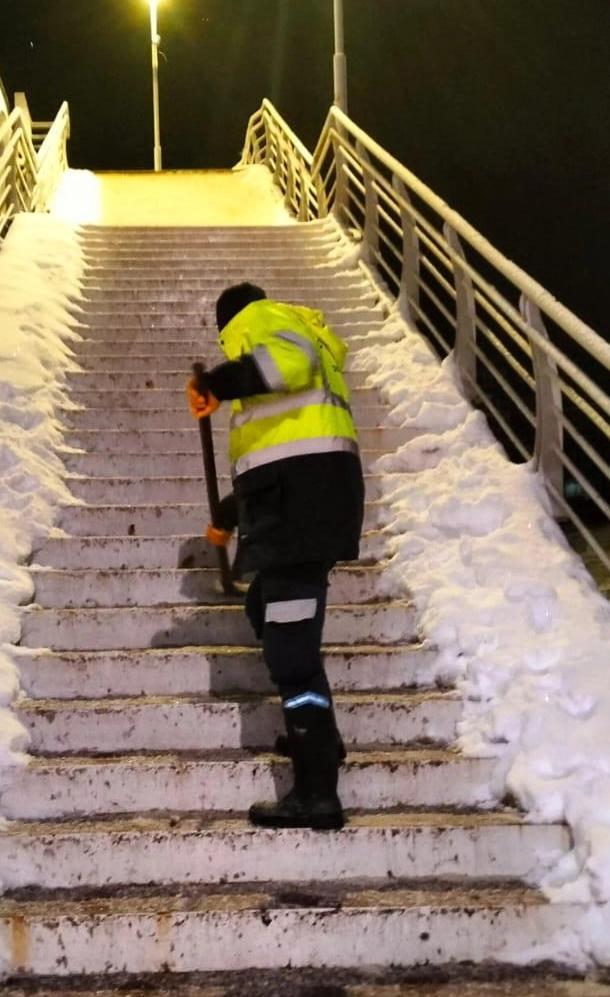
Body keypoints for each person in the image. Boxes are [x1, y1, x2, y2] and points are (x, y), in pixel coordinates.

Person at [186, 282, 365, 831]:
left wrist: (218, 380)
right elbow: (286, 449)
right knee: (264, 606)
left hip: (299, 513)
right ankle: (320, 736)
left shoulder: (263, 321)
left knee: (291, 655)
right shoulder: (293, 341)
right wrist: (228, 513)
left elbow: (292, 360)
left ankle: (316, 793)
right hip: (302, 504)